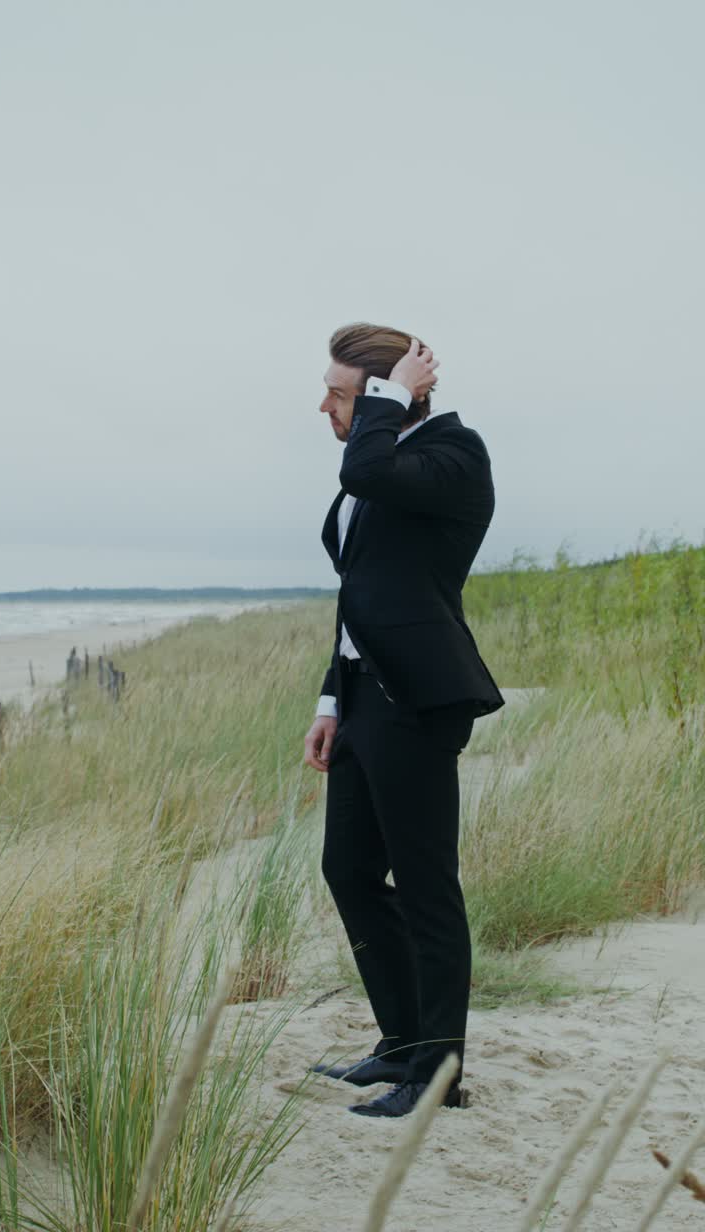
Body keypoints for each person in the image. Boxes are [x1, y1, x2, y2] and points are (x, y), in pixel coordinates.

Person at [303, 322, 505, 1118]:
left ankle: (440, 1074)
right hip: (360, 697)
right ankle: (402, 1045)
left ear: (394, 393)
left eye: (341, 393)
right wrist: (330, 699)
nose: (324, 406)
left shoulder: (454, 456)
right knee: (348, 871)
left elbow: (366, 468)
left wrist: (387, 398)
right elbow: (364, 595)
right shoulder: (387, 461)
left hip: (416, 703)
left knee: (426, 887)